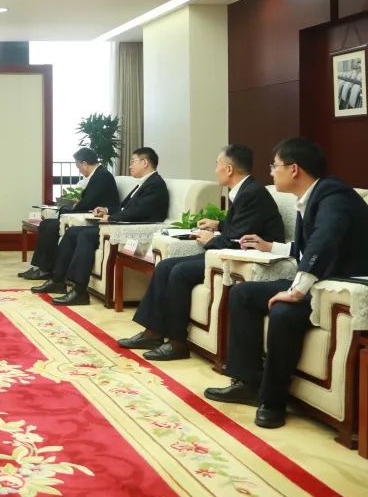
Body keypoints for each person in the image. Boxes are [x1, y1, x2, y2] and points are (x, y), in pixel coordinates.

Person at [203, 138, 368, 428]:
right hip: (320, 282)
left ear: (294, 169)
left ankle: (272, 401)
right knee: (243, 294)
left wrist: (296, 290)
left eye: (274, 166)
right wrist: (271, 247)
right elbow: (306, 248)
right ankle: (247, 382)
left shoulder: (334, 194)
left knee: (283, 311)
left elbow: (325, 239)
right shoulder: (309, 198)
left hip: (338, 288)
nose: (270, 172)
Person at [118, 145, 284, 360]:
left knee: (179, 272)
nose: (215, 170)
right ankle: (153, 332)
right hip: (229, 249)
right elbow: (240, 227)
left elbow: (238, 240)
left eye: (217, 164)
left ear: (229, 169)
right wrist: (218, 225)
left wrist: (211, 239)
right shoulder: (245, 190)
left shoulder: (252, 194)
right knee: (166, 265)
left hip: (247, 256)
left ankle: (177, 343)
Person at [42, 147, 169, 306]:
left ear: (145, 163)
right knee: (72, 232)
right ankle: (58, 280)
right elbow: (125, 209)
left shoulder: (155, 184)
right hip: (120, 224)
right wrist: (107, 210)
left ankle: (79, 291)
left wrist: (111, 217)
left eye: (132, 162)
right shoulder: (144, 183)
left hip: (132, 230)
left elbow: (139, 212)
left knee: (85, 235)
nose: (129, 166)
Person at [20, 147, 120, 283]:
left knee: (51, 226)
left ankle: (45, 270)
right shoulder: (99, 174)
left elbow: (87, 203)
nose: (79, 170)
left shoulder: (102, 176)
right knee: (46, 224)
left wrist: (72, 207)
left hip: (93, 219)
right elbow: (88, 200)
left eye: (78, 166)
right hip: (87, 214)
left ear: (85, 163)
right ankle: (42, 268)